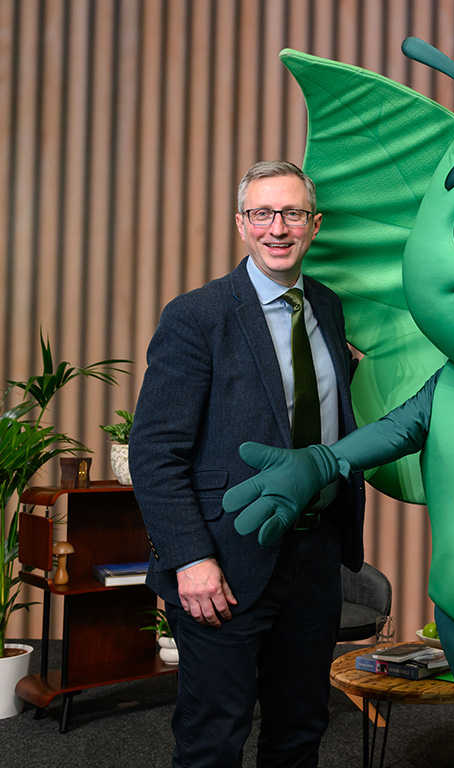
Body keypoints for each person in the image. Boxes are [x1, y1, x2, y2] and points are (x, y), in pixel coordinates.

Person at [130, 160, 364, 767]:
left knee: (301, 729)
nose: (277, 228)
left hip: (314, 555)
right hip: (224, 563)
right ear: (241, 224)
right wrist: (190, 559)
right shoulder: (198, 316)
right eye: (263, 213)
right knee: (213, 737)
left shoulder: (329, 309)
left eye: (292, 213)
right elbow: (155, 453)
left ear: (315, 225)